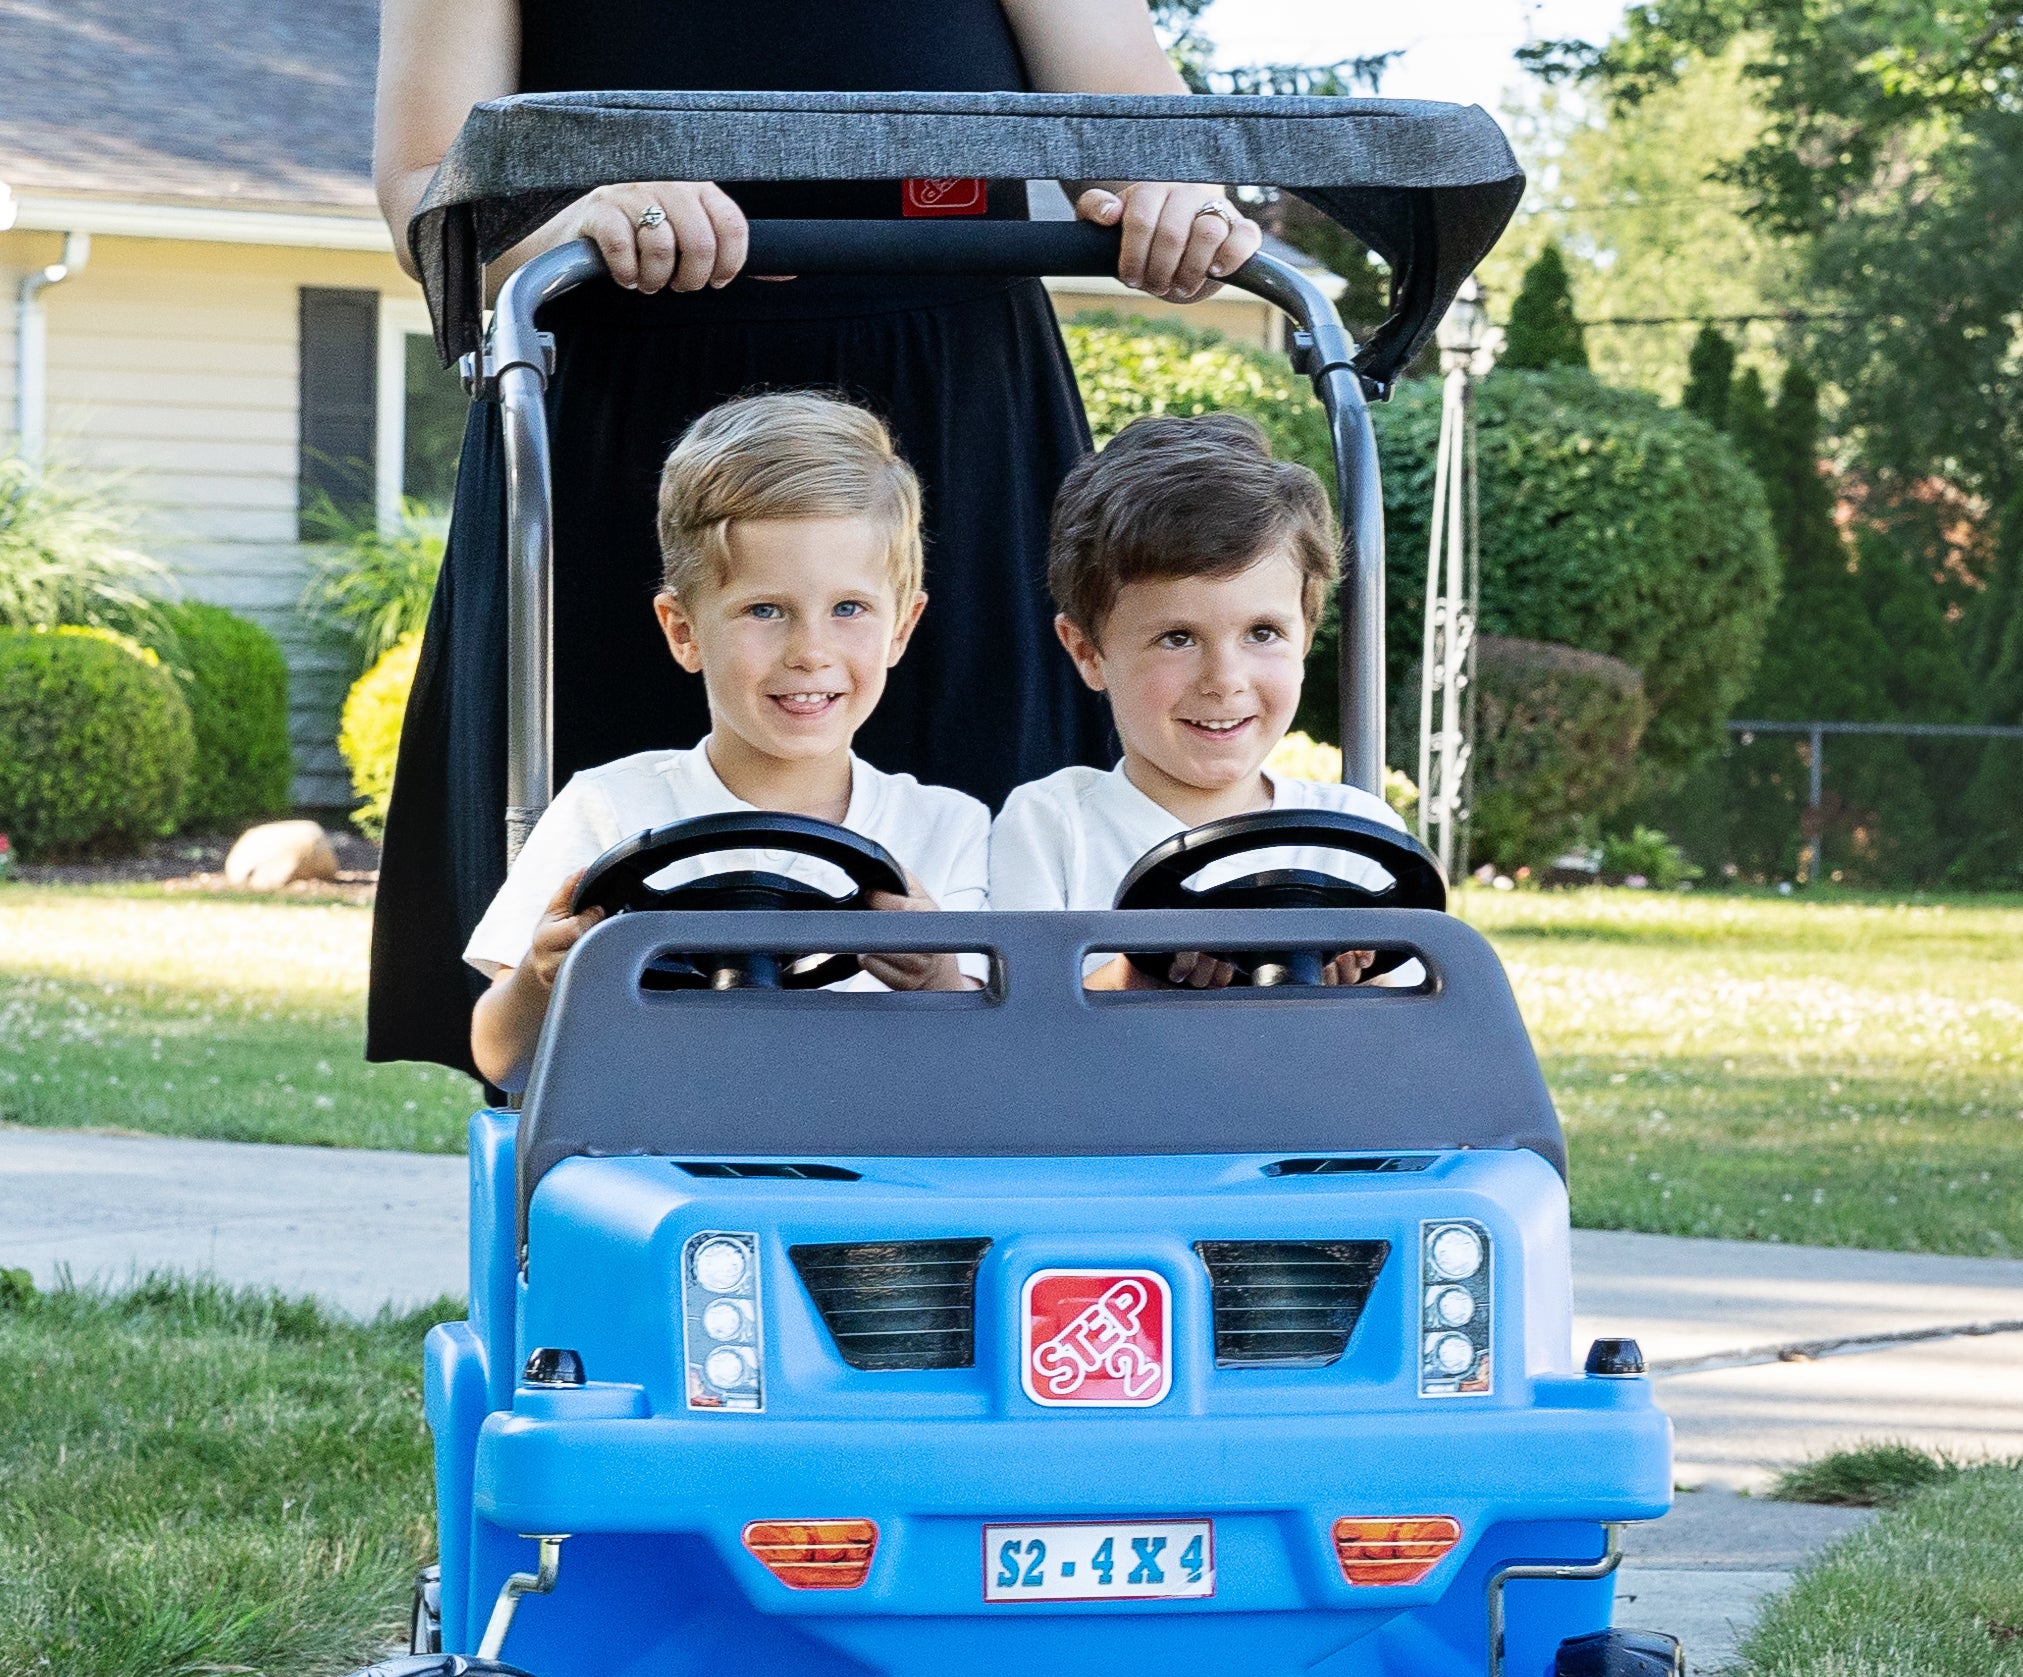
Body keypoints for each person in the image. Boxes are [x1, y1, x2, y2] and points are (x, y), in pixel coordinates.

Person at [369, 0, 1264, 1078]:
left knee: (1004, 875)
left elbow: (1142, 137)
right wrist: (577, 218)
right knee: (623, 894)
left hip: (949, 400)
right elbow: (431, 185)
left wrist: (1170, 196)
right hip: (622, 381)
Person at [465, 394, 985, 1090]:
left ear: (901, 627)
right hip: (659, 1163)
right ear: (683, 630)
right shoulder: (610, 807)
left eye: (848, 609)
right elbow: (505, 1060)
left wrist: (936, 978)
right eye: (764, 610)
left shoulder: (944, 827)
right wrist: (542, 977)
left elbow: (985, 1070)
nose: (810, 651)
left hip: (879, 1167)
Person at [989, 413, 1405, 988]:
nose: (1224, 679)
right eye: (1177, 638)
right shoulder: (1054, 827)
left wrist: (1361, 987)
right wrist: (1141, 974)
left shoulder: (1354, 837)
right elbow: (1021, 1028)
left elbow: (1422, 1044)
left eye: (1262, 633)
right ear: (1087, 653)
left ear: (1305, 635)